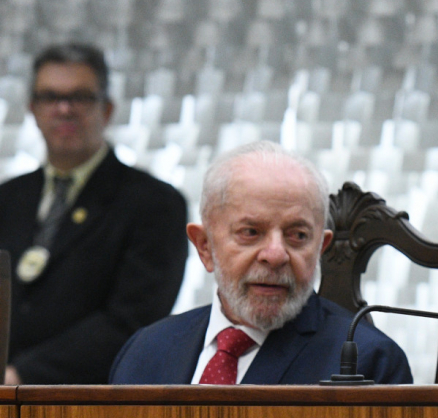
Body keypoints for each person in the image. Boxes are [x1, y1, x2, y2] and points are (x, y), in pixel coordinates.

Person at [109, 140, 413, 385]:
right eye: (250, 233)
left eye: (297, 235)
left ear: (320, 248)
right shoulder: (145, 351)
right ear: (205, 247)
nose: (275, 255)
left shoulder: (369, 362)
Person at [0, 43, 188, 384]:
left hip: (94, 405)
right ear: (32, 109)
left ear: (107, 109)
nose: (64, 109)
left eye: (80, 97)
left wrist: (20, 374)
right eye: (50, 97)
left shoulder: (155, 204)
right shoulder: (7, 199)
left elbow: (133, 320)